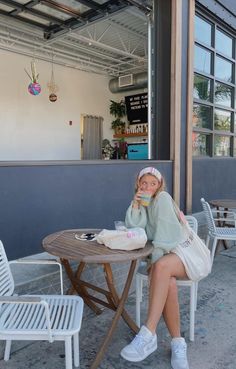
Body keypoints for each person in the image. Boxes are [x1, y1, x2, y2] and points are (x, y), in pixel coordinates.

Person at [120, 166, 190, 369]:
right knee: (169, 284)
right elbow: (135, 230)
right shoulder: (146, 202)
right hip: (164, 260)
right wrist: (136, 205)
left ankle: (149, 332)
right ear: (138, 184)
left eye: (153, 183)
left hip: (181, 254)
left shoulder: (163, 198)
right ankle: (178, 343)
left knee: (160, 269)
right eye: (144, 183)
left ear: (160, 185)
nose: (148, 187)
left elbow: (166, 239)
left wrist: (155, 264)